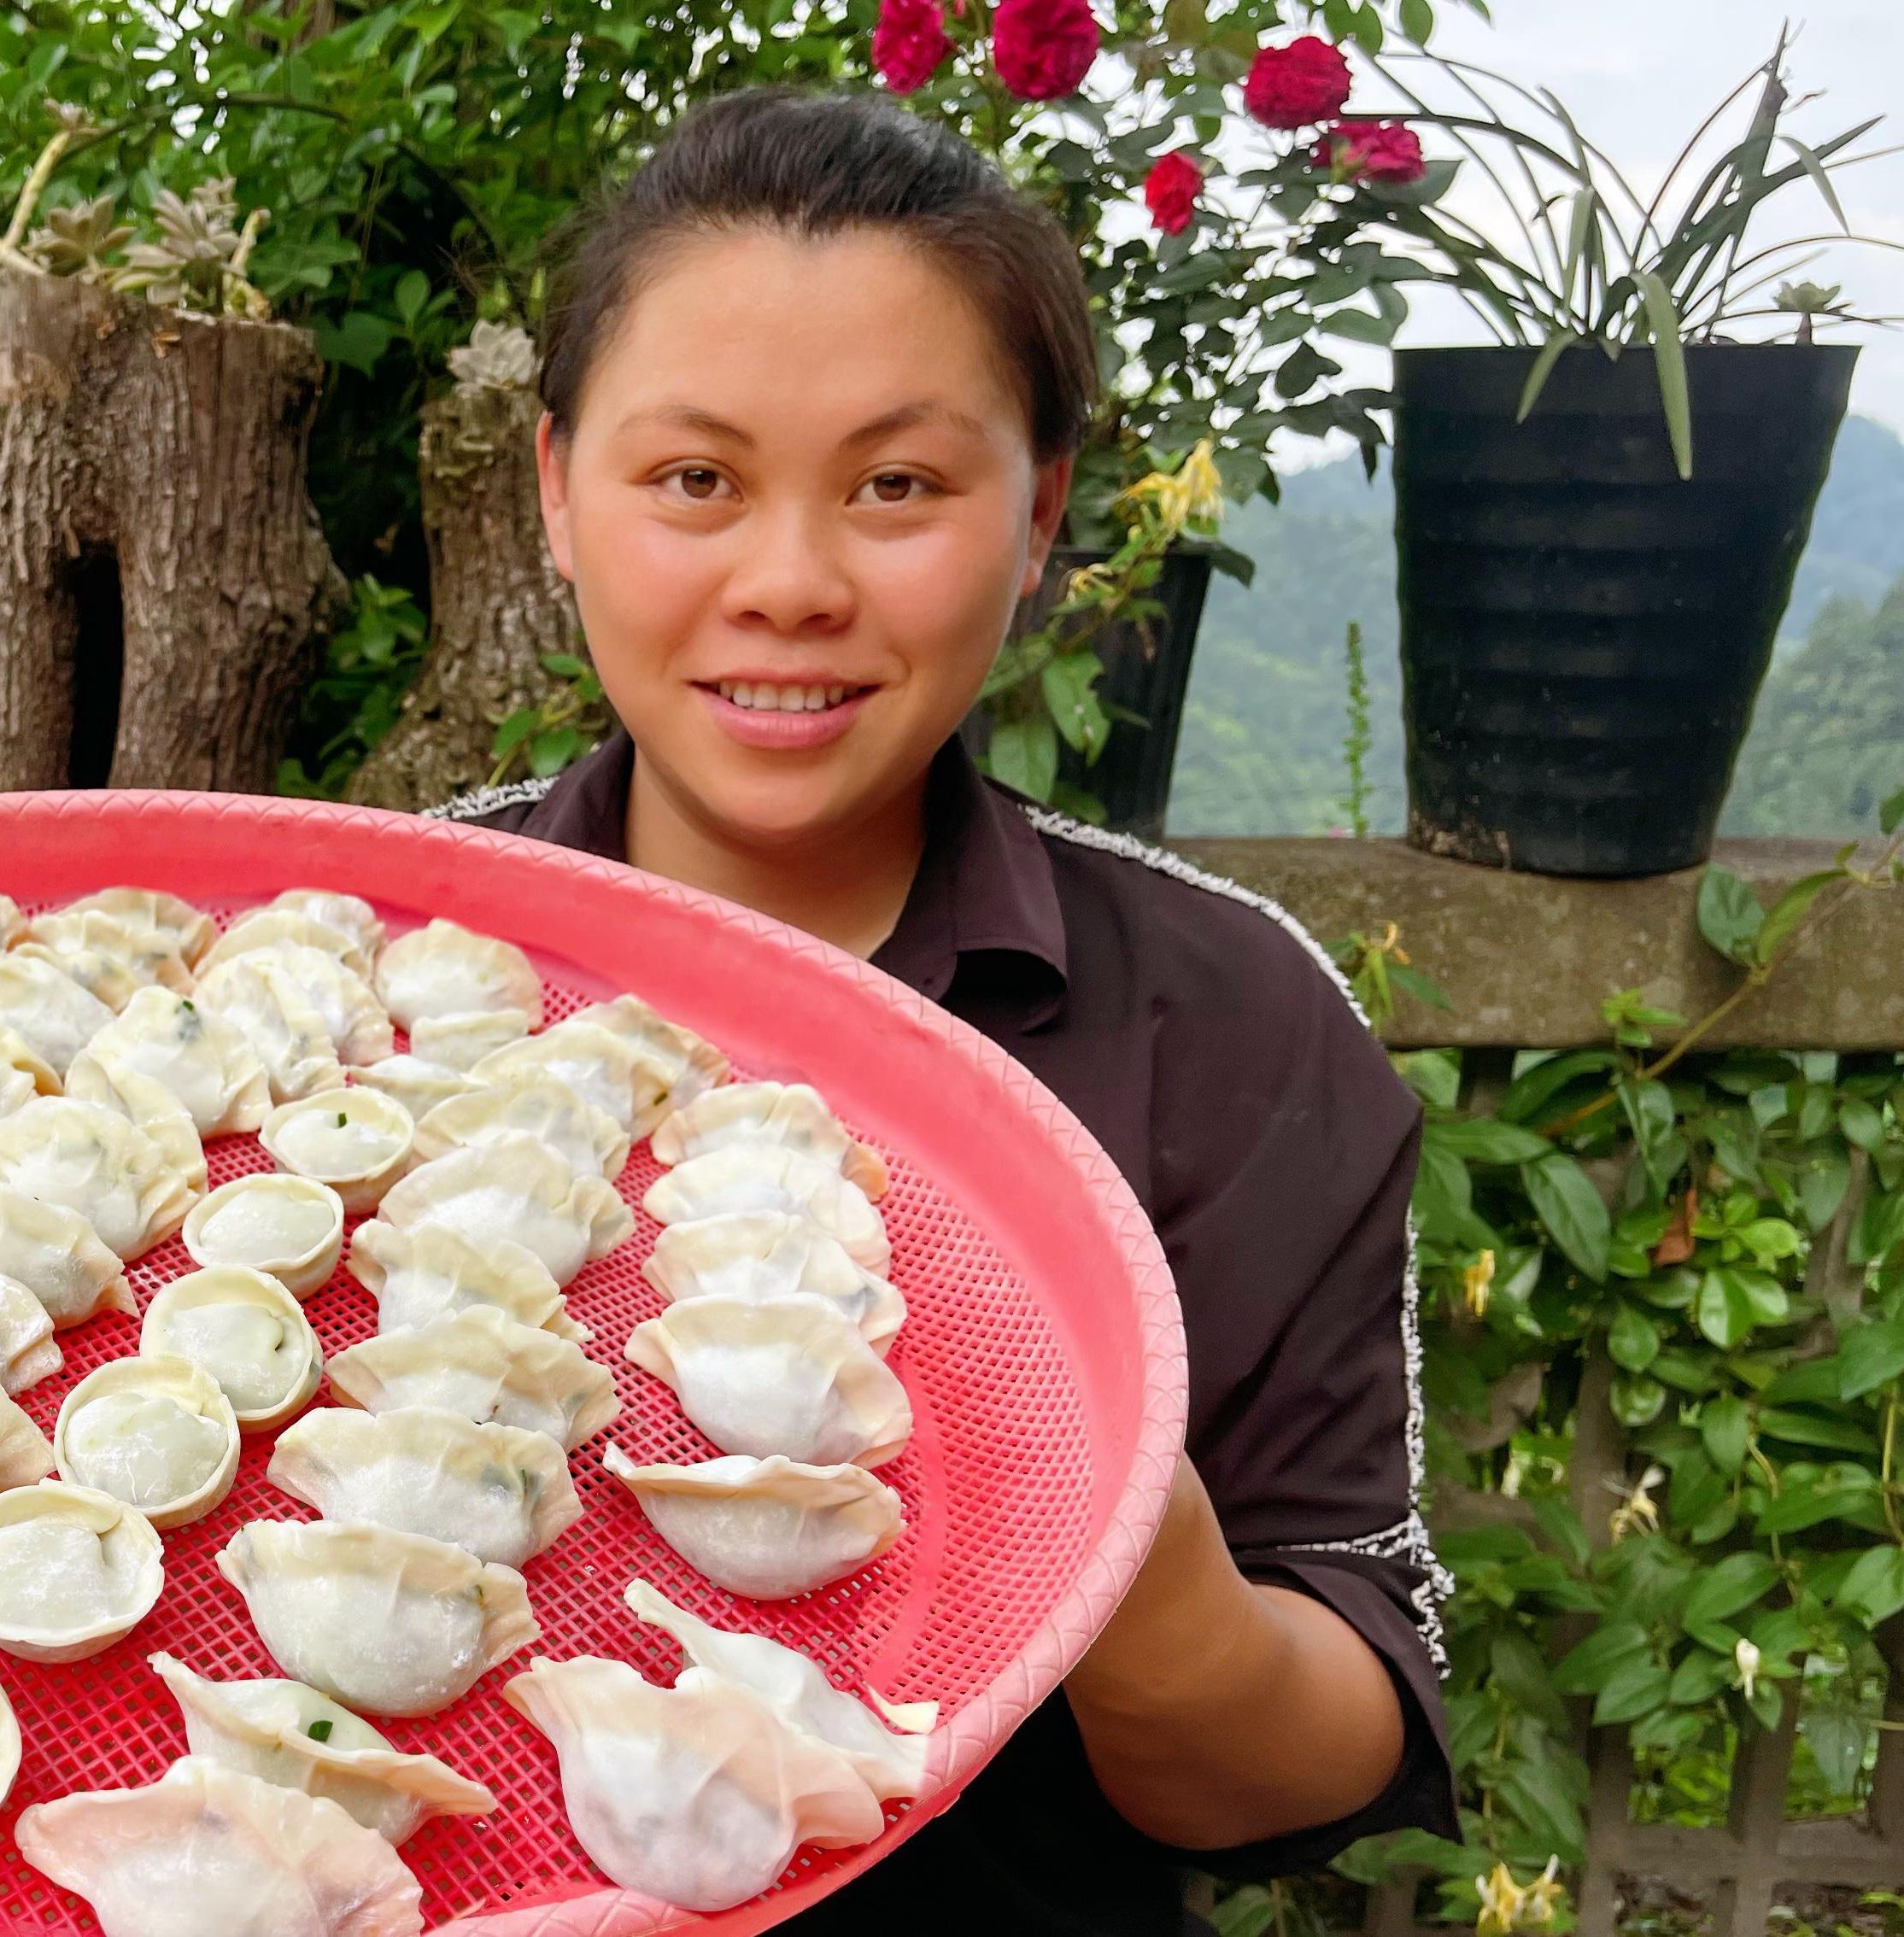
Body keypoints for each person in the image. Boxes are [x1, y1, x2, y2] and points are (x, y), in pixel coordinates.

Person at [442, 88, 1455, 1934]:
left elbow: (1316, 1753)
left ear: (1039, 514)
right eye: (692, 481)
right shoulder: (367, 965)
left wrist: (1121, 1558)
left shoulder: (1225, 1027)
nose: (790, 584)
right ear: (554, 499)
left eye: (897, 485)